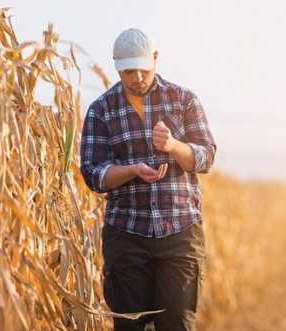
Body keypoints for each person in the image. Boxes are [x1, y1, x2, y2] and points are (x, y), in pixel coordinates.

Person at [79, 28, 217, 331]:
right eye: (129, 71)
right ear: (117, 67)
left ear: (155, 59)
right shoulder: (101, 110)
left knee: (177, 324)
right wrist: (132, 170)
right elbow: (92, 173)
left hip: (180, 231)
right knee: (129, 326)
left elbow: (206, 156)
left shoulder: (183, 100)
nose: (137, 78)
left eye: (143, 70)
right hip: (126, 233)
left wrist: (173, 146)